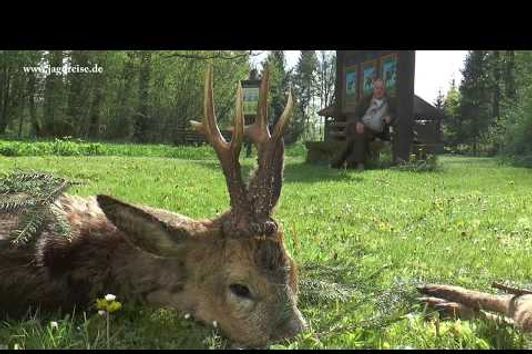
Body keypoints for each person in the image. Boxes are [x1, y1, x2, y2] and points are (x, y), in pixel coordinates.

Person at [331, 78, 397, 170]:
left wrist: (390, 117)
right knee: (359, 133)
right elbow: (356, 114)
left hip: (375, 130)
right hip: (359, 127)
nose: (379, 91)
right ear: (374, 89)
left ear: (384, 89)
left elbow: (395, 114)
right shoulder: (366, 100)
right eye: (377, 88)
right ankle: (359, 163)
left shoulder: (389, 102)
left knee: (354, 138)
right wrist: (358, 122)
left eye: (381, 88)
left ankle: (338, 162)